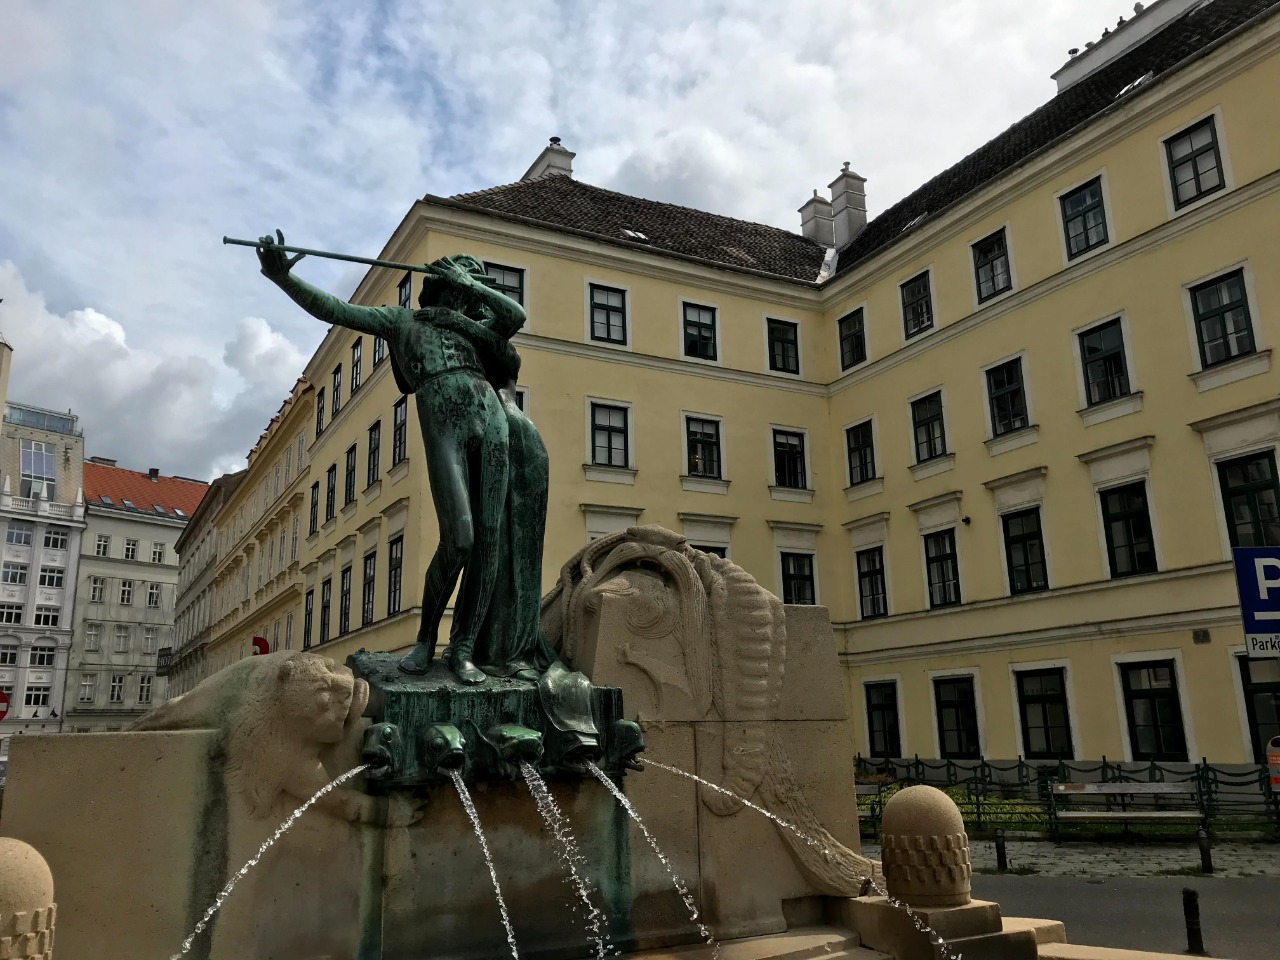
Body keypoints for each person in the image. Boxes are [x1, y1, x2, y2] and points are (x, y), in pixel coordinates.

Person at [255, 231, 529, 684]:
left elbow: (514, 316)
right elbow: (337, 310)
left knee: (489, 543)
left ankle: (463, 648)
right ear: (441, 282)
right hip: (442, 412)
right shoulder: (405, 320)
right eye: (464, 277)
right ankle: (425, 639)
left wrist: (472, 286)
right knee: (461, 538)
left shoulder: (478, 331)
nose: (470, 285)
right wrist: (284, 279)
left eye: (475, 280)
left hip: (490, 416)